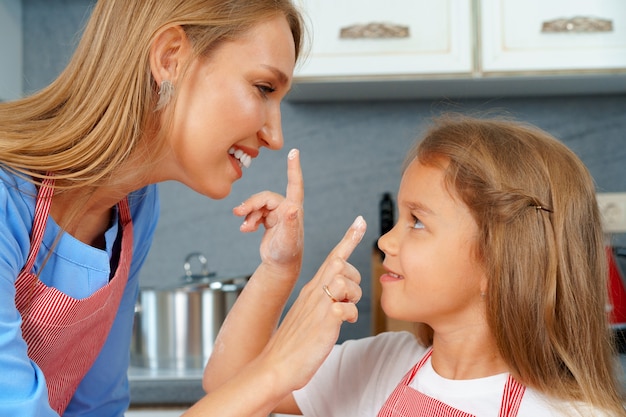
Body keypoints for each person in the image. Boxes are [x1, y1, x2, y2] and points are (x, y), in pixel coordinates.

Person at [0, 0, 361, 415]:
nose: (275, 136)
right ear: (170, 57)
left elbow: (97, 406)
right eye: (263, 88)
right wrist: (276, 370)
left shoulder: (133, 208)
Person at [205, 114, 626, 416]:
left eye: (418, 221)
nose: (386, 240)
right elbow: (232, 387)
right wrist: (278, 268)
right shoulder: (381, 363)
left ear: (499, 260)